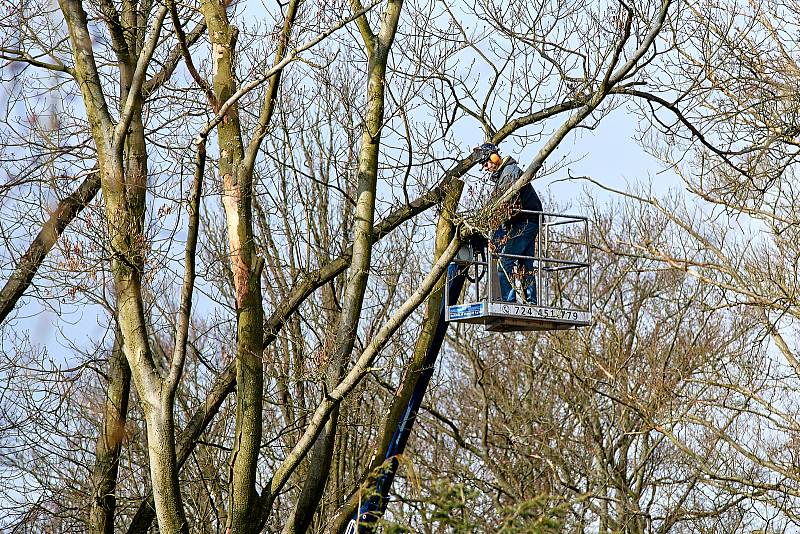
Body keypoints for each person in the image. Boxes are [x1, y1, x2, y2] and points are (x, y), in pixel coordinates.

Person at [474, 142, 542, 304]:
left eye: (485, 163)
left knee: (505, 260)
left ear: (494, 157)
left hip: (525, 221)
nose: (485, 168)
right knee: (525, 263)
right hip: (525, 221)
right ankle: (531, 301)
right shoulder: (504, 174)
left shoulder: (509, 173)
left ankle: (507, 301)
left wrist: (489, 223)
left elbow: (501, 202)